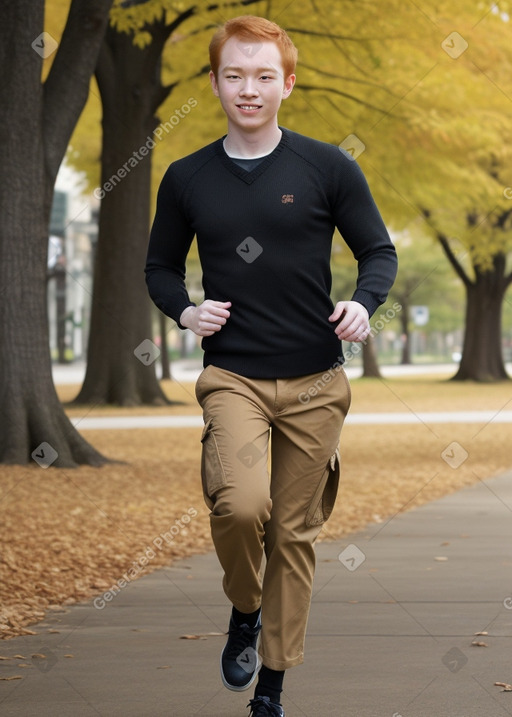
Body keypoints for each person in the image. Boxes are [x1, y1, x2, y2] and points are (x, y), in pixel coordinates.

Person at [145, 15, 397, 717]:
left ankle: (272, 689)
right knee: (240, 505)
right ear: (216, 82)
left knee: (294, 534)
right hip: (234, 376)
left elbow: (378, 250)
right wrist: (186, 312)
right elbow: (160, 266)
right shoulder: (187, 175)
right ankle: (244, 606)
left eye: (263, 76)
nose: (248, 89)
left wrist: (362, 302)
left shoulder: (327, 167)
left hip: (317, 379)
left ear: (286, 83)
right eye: (234, 75)